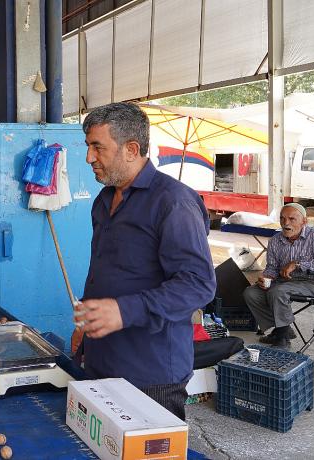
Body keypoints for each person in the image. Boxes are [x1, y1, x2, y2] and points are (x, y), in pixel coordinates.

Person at [73, 102, 216, 420]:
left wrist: (124, 311)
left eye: (98, 147)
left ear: (131, 149)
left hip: (149, 374)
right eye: (88, 147)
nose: (89, 158)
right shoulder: (105, 199)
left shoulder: (173, 202)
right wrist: (87, 323)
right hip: (101, 359)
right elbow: (106, 270)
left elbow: (198, 284)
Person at [243, 203, 314, 347]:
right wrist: (266, 277)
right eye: (282, 218)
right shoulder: (275, 240)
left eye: (292, 219)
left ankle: (282, 339)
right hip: (285, 282)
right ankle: (284, 329)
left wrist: (298, 264)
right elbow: (272, 268)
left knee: (278, 291)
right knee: (251, 293)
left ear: (304, 221)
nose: (286, 223)